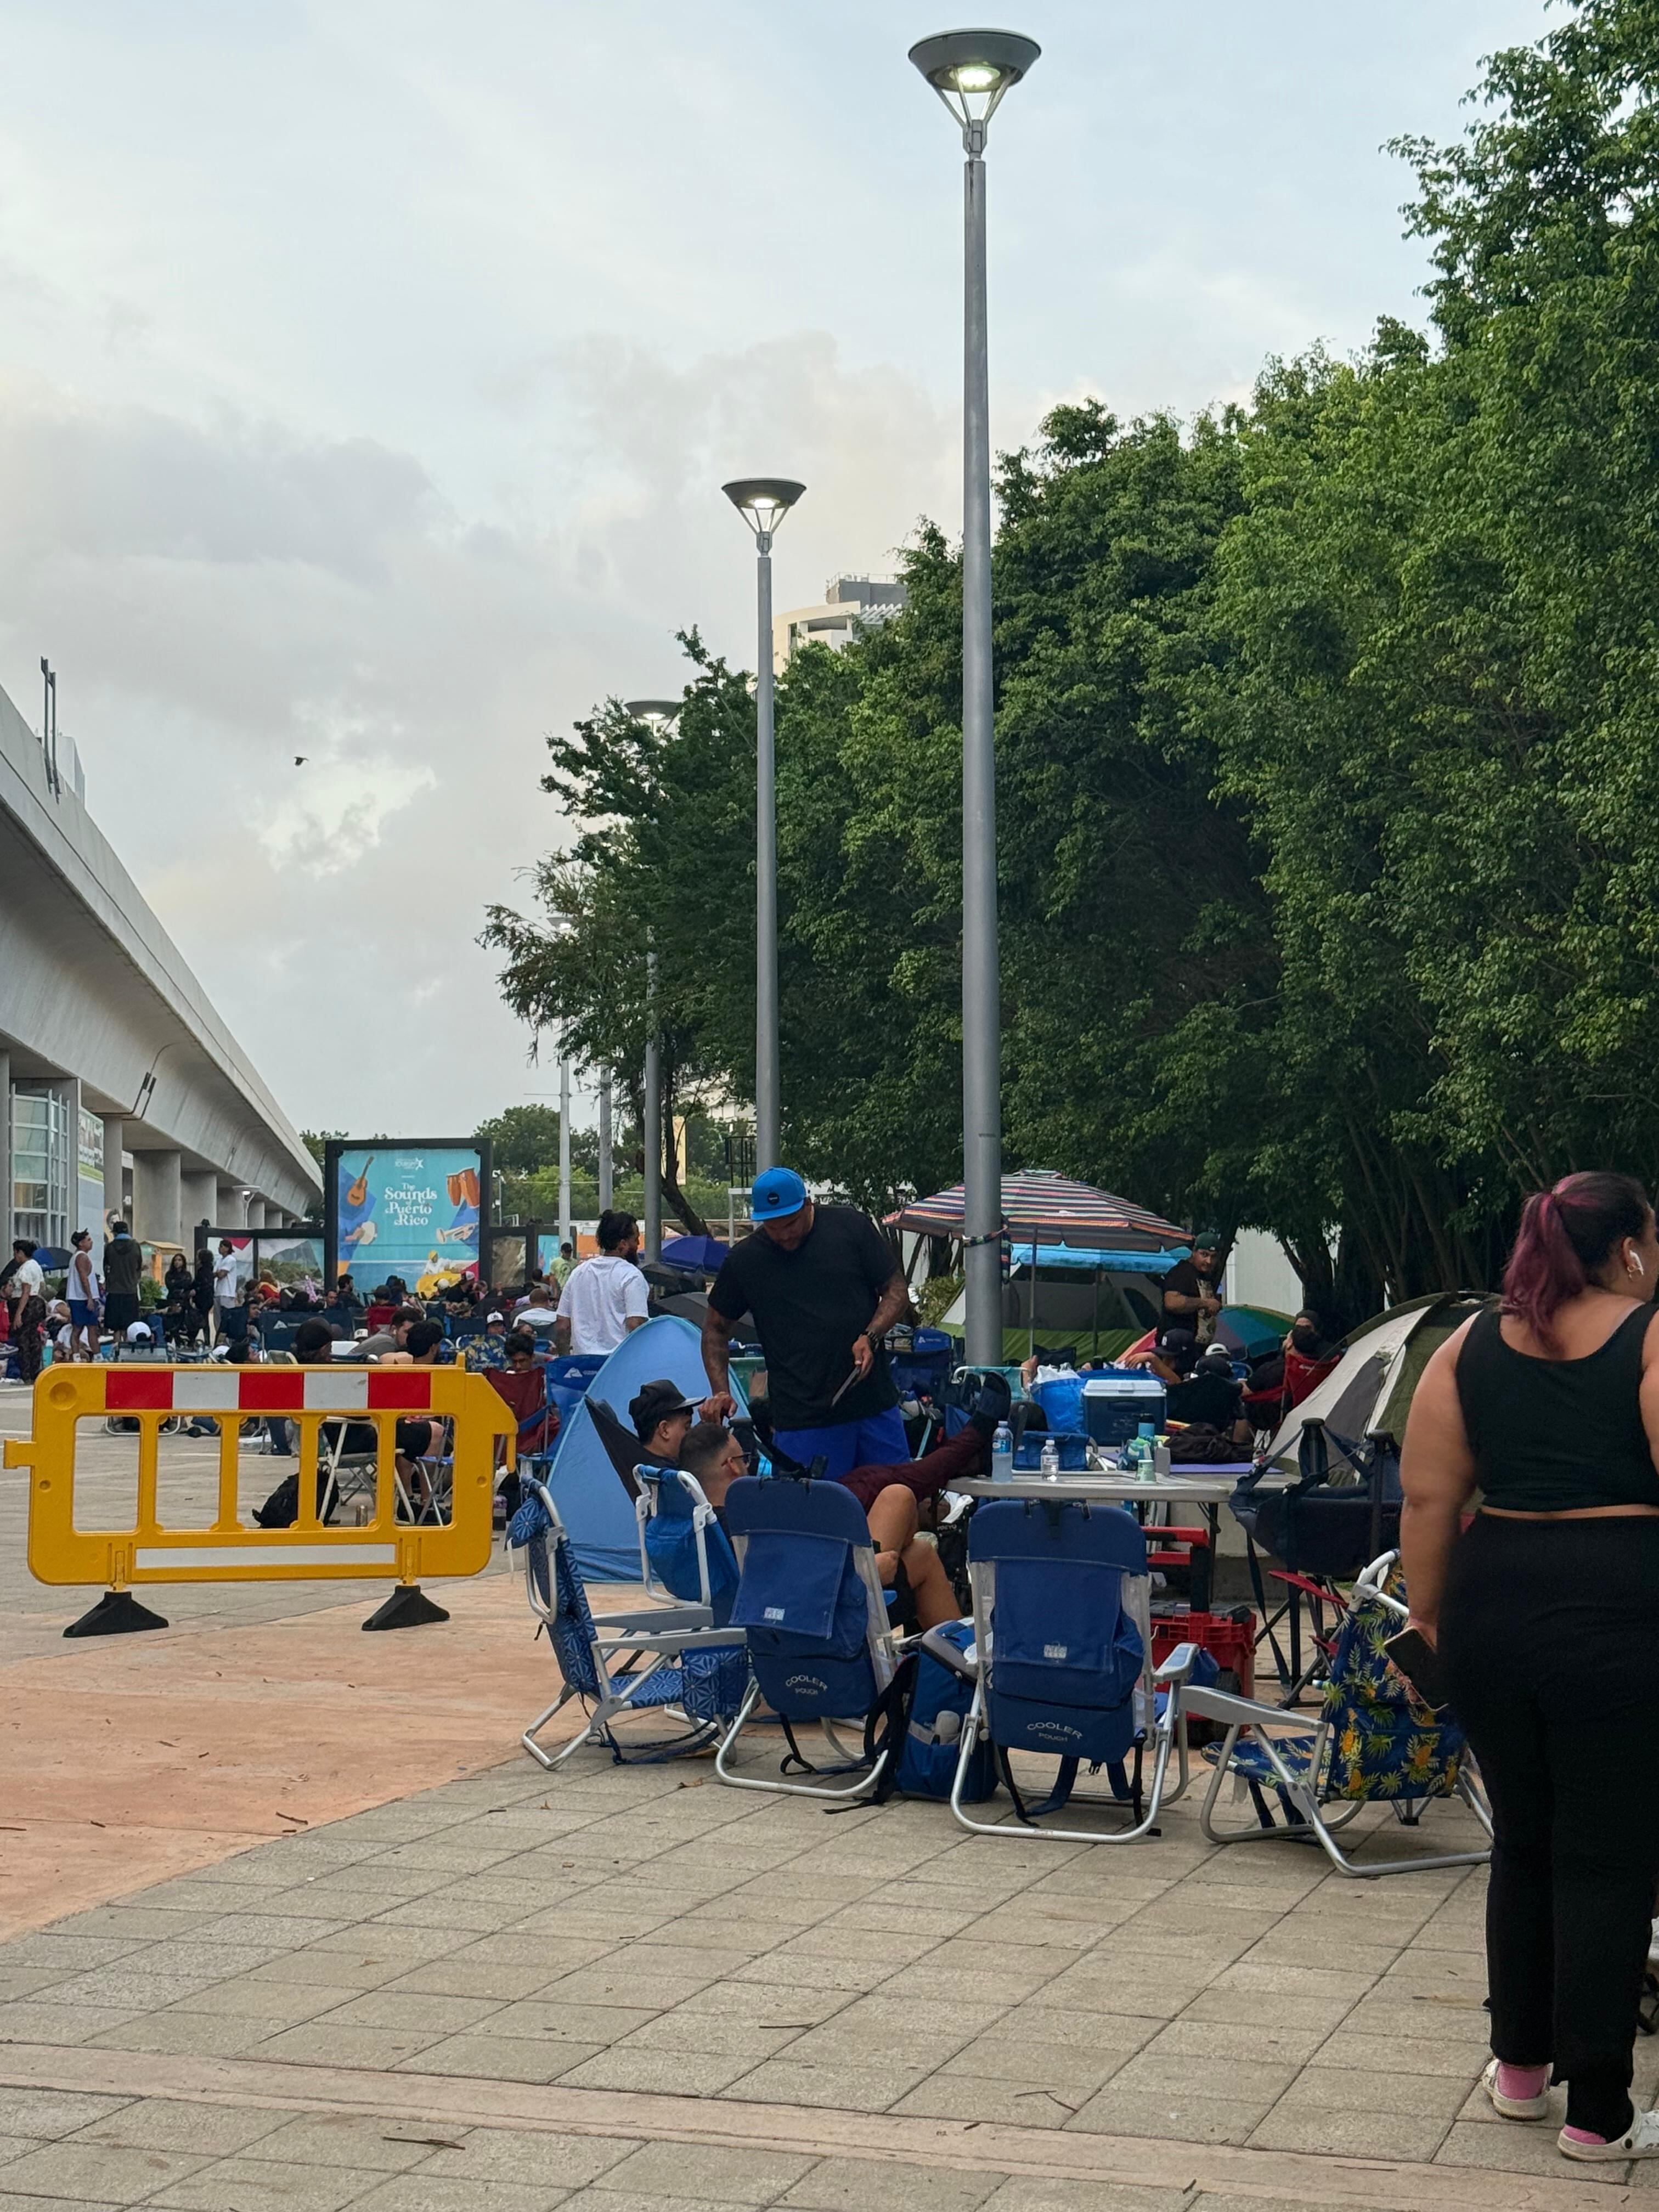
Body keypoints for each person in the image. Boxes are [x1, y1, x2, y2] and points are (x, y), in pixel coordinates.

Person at [1400, 1171, 1659, 2163]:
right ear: (1626, 1247)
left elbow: (1426, 1504)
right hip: (1616, 1604)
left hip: (1489, 1601)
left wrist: (1426, 1624)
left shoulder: (1463, 1344)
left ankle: (1517, 2069)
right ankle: (1598, 2112)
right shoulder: (1646, 1338)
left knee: (1523, 1842)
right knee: (1606, 1857)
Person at [701, 1168, 911, 1481]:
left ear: (808, 1205)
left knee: (898, 1498)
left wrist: (871, 1334)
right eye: (773, 1228)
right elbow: (715, 1330)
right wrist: (721, 1391)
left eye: (791, 1223)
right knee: (816, 1519)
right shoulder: (745, 1261)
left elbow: (896, 1291)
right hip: (803, 1419)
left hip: (873, 1405)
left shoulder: (851, 1227)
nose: (785, 1234)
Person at [678, 1418, 960, 1629]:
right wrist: (865, 1569)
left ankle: (956, 1672)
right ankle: (960, 1674)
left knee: (917, 1546)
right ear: (732, 1465)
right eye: (745, 1459)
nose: (748, 1466)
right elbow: (795, 1584)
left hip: (783, 1612)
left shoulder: (699, 1527)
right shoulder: (747, 1525)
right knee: (900, 1501)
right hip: (819, 1619)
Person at [555, 1209, 649, 1355]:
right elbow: (635, 1324)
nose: (638, 1244)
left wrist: (565, 1359)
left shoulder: (578, 1273)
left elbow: (562, 1325)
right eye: (635, 1239)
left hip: (581, 1365)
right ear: (623, 1244)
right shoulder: (631, 1276)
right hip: (617, 1365)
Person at [1160, 1233, 1223, 1343]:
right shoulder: (1182, 1272)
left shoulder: (1205, 1275)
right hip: (1176, 1346)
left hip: (1196, 1345)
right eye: (1204, 1255)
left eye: (1213, 1257)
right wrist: (1204, 1303)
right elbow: (1172, 1302)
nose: (1209, 1261)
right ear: (1194, 1252)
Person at [101, 1221, 143, 1338]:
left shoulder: (110, 1247)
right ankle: (128, 1350)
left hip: (114, 1290)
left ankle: (116, 1350)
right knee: (130, 1326)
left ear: (115, 1232)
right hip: (130, 1290)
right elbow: (139, 1266)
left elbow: (106, 1267)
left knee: (115, 1327)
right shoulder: (136, 1246)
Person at [67, 1230, 101, 1359]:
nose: (91, 1242)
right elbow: (84, 1279)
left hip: (77, 1297)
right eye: (88, 1240)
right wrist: (90, 1298)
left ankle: (77, 1356)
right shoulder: (82, 1257)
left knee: (79, 1328)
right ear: (81, 1243)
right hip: (81, 1298)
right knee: (90, 1328)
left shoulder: (76, 1257)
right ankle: (97, 1356)